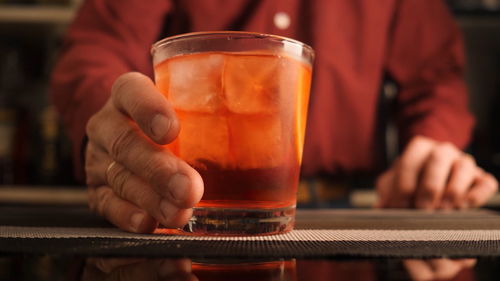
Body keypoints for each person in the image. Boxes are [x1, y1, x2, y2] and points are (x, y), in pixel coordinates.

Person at [51, 0, 498, 233]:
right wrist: (113, 134)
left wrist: (434, 144)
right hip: (184, 209)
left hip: (349, 217)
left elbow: (435, 75)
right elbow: (96, 50)